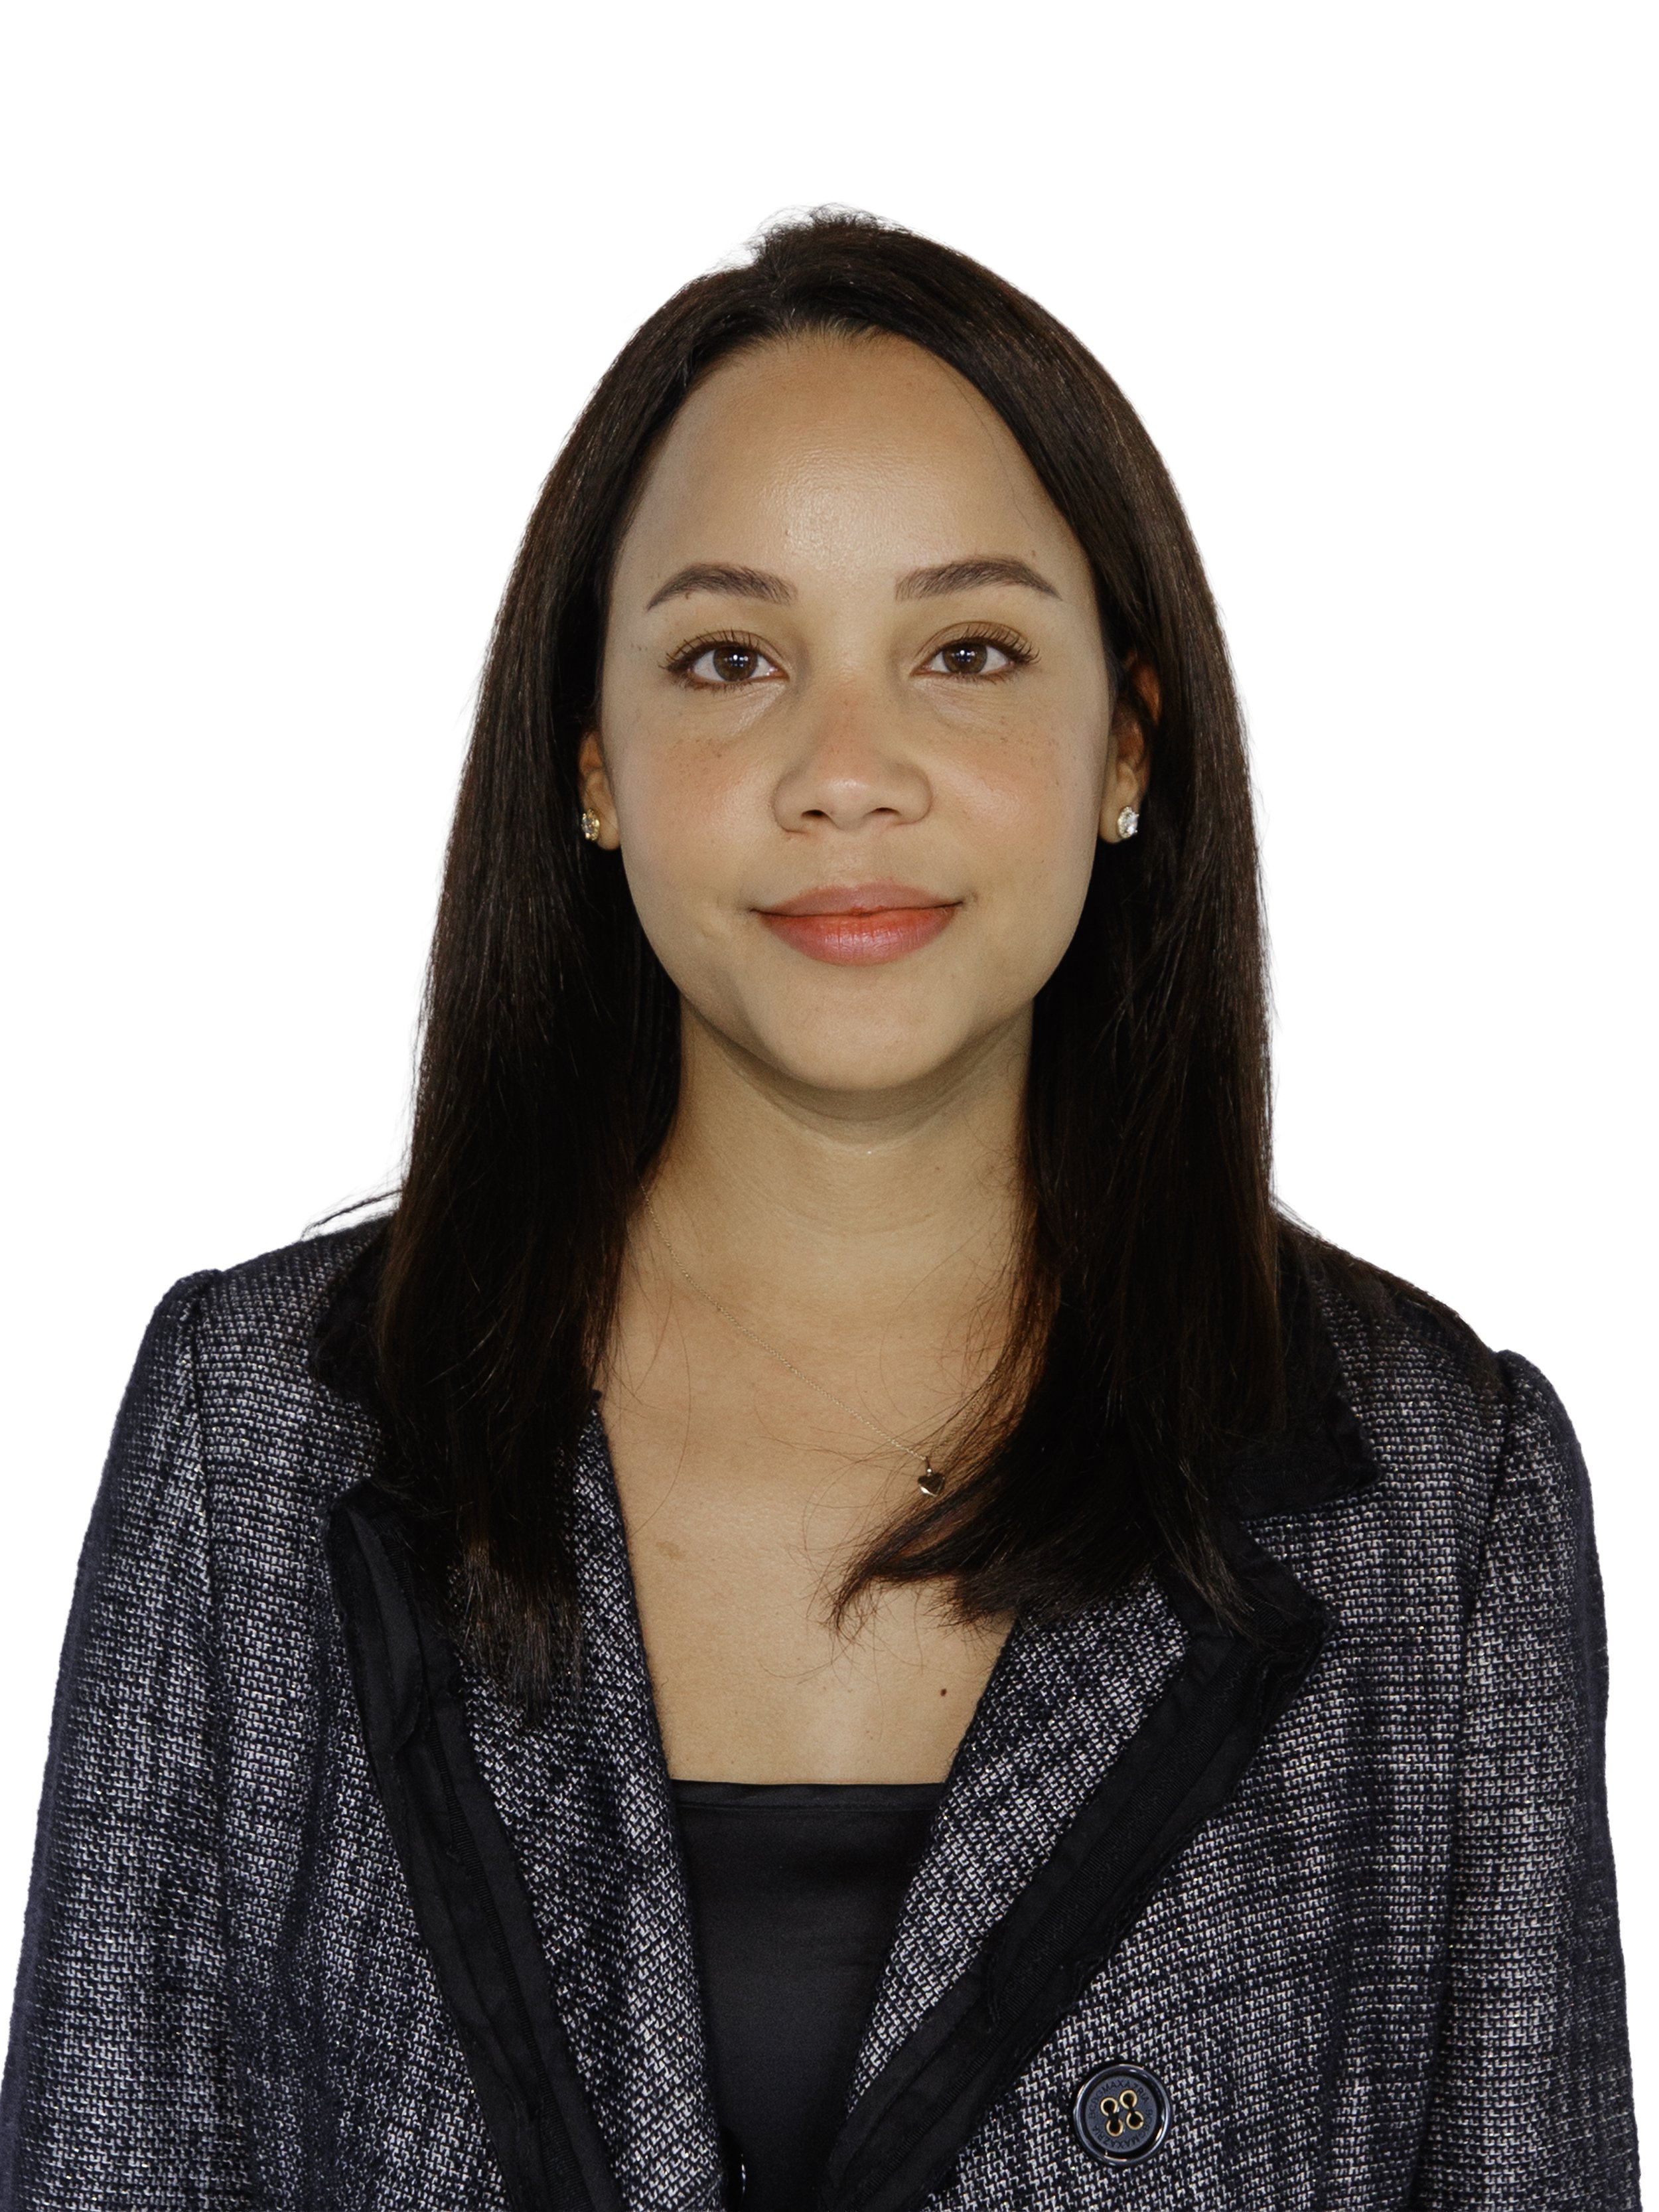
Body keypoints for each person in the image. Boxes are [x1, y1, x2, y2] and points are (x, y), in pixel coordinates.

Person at [0, 210, 1639, 2211]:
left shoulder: (1433, 1496)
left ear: (1124, 742)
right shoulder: (258, 1431)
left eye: (966, 654)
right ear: (592, 764)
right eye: (731, 659)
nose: (845, 775)